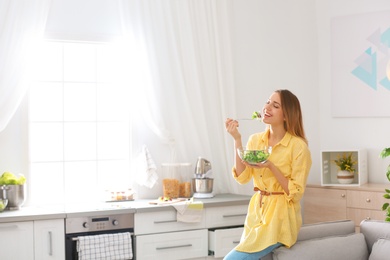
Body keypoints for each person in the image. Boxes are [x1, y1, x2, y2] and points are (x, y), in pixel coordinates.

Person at [224, 89, 312, 260]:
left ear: (286, 115)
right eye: (267, 102)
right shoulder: (255, 140)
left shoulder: (298, 147)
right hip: (256, 212)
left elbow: (296, 193)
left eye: (275, 105)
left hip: (280, 218)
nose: (267, 107)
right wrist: (237, 140)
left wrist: (271, 166)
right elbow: (243, 177)